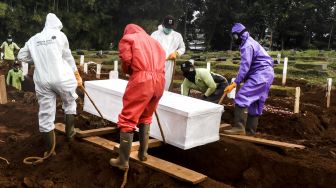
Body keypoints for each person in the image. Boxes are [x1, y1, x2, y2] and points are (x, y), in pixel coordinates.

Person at [17, 13, 82, 155]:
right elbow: (68, 56)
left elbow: (21, 56)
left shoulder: (34, 39)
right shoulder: (60, 36)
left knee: (46, 113)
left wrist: (37, 59)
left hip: (42, 80)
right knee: (70, 103)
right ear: (57, 25)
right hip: (62, 78)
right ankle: (70, 135)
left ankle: (50, 150)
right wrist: (76, 74)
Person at [110, 24, 166, 170]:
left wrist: (130, 71)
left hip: (142, 80)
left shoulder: (128, 39)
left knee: (128, 119)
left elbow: (127, 60)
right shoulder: (156, 42)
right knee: (146, 116)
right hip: (160, 81)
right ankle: (143, 153)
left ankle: (123, 161)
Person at [223, 23, 274, 136]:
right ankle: (251, 132)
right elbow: (250, 66)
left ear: (237, 35)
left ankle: (239, 127)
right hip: (267, 75)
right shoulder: (251, 42)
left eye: (234, 36)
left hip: (261, 74)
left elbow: (245, 66)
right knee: (255, 104)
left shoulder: (247, 45)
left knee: (242, 96)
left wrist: (235, 82)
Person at [151, 15, 185, 91]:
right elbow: (149, 47)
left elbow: (182, 48)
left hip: (170, 62)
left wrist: (177, 53)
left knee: (167, 82)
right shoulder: (155, 34)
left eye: (170, 28)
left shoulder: (177, 36)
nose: (169, 29)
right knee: (155, 83)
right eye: (167, 27)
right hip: (156, 62)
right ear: (163, 25)